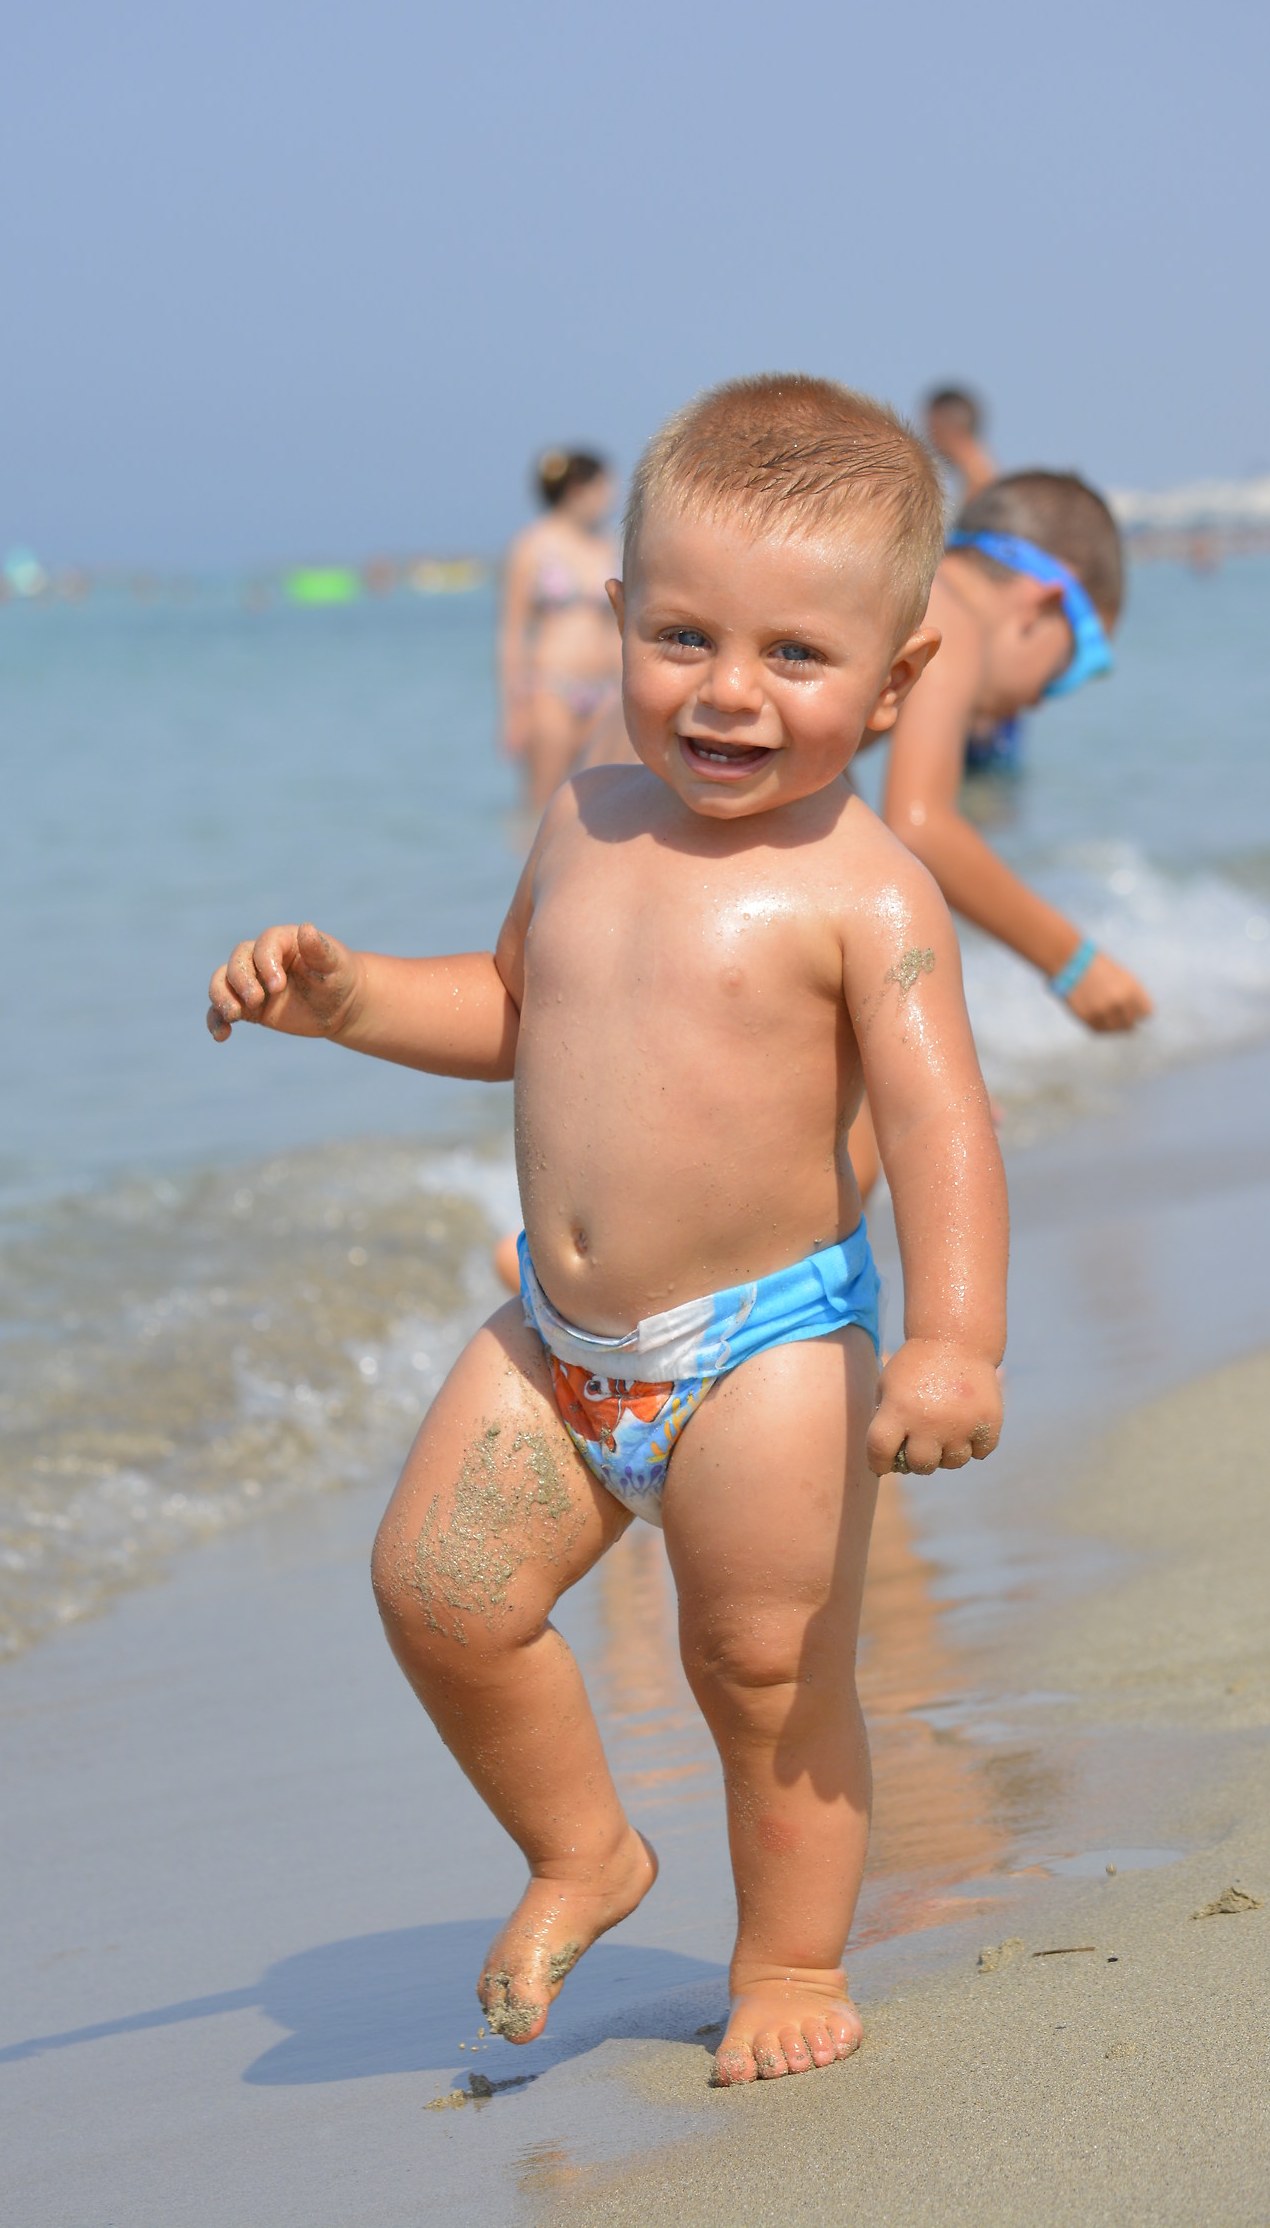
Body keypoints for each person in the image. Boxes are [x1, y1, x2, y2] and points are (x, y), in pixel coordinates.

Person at [206, 374, 1008, 2089]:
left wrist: (951, 1339)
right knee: (436, 1592)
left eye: (796, 656)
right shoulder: (584, 809)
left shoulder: (866, 889)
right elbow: (510, 1004)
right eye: (686, 637)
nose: (729, 692)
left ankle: (787, 1955)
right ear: (619, 616)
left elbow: (945, 1121)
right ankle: (582, 1850)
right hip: (557, 1344)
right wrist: (348, 1001)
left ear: (899, 677)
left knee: (763, 1669)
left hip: (766, 1350)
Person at [881, 471, 1153, 1031]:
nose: (1039, 703)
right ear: (1041, 605)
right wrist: (1075, 964)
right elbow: (919, 826)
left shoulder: (907, 591)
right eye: (1064, 669)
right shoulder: (949, 617)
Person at [496, 449, 621, 810]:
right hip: (551, 687)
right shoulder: (532, 546)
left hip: (607, 690)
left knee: (603, 808)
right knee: (542, 805)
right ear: (579, 488)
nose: (610, 496)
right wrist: (513, 710)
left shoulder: (607, 546)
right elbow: (512, 633)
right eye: (604, 486)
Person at [923, 383, 997, 505]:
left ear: (943, 429)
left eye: (929, 430)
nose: (928, 442)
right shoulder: (984, 482)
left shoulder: (982, 493)